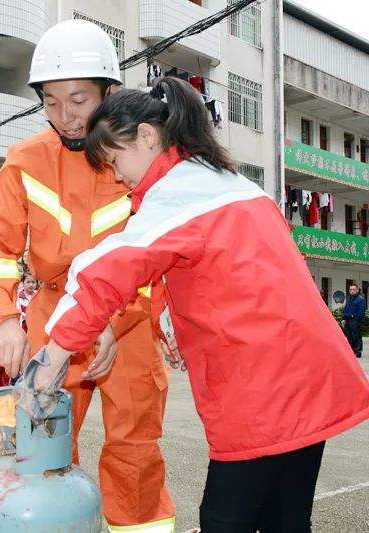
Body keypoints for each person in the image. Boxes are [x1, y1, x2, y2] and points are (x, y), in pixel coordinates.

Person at [34, 76, 369, 532]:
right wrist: (172, 324)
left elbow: (104, 272)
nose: (116, 175)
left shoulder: (177, 194)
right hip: (307, 373)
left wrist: (53, 355)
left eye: (115, 159)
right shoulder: (230, 184)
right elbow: (226, 273)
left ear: (147, 137)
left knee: (223, 519)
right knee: (286, 518)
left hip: (262, 385)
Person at [0, 19, 175, 530]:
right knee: (46, 444)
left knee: (134, 447)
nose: (65, 116)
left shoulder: (140, 157)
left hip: (127, 321)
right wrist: (4, 318)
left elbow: (156, 257)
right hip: (53, 312)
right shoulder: (24, 162)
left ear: (109, 92)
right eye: (51, 102)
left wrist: (115, 319)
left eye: (79, 100)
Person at [342, 283, 366, 358]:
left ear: (357, 290)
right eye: (350, 289)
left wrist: (355, 320)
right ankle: (352, 351)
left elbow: (361, 311)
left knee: (356, 336)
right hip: (348, 320)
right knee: (349, 337)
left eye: (353, 289)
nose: (352, 291)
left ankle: (357, 352)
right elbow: (346, 309)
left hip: (355, 321)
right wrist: (343, 318)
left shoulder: (361, 299)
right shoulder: (349, 299)